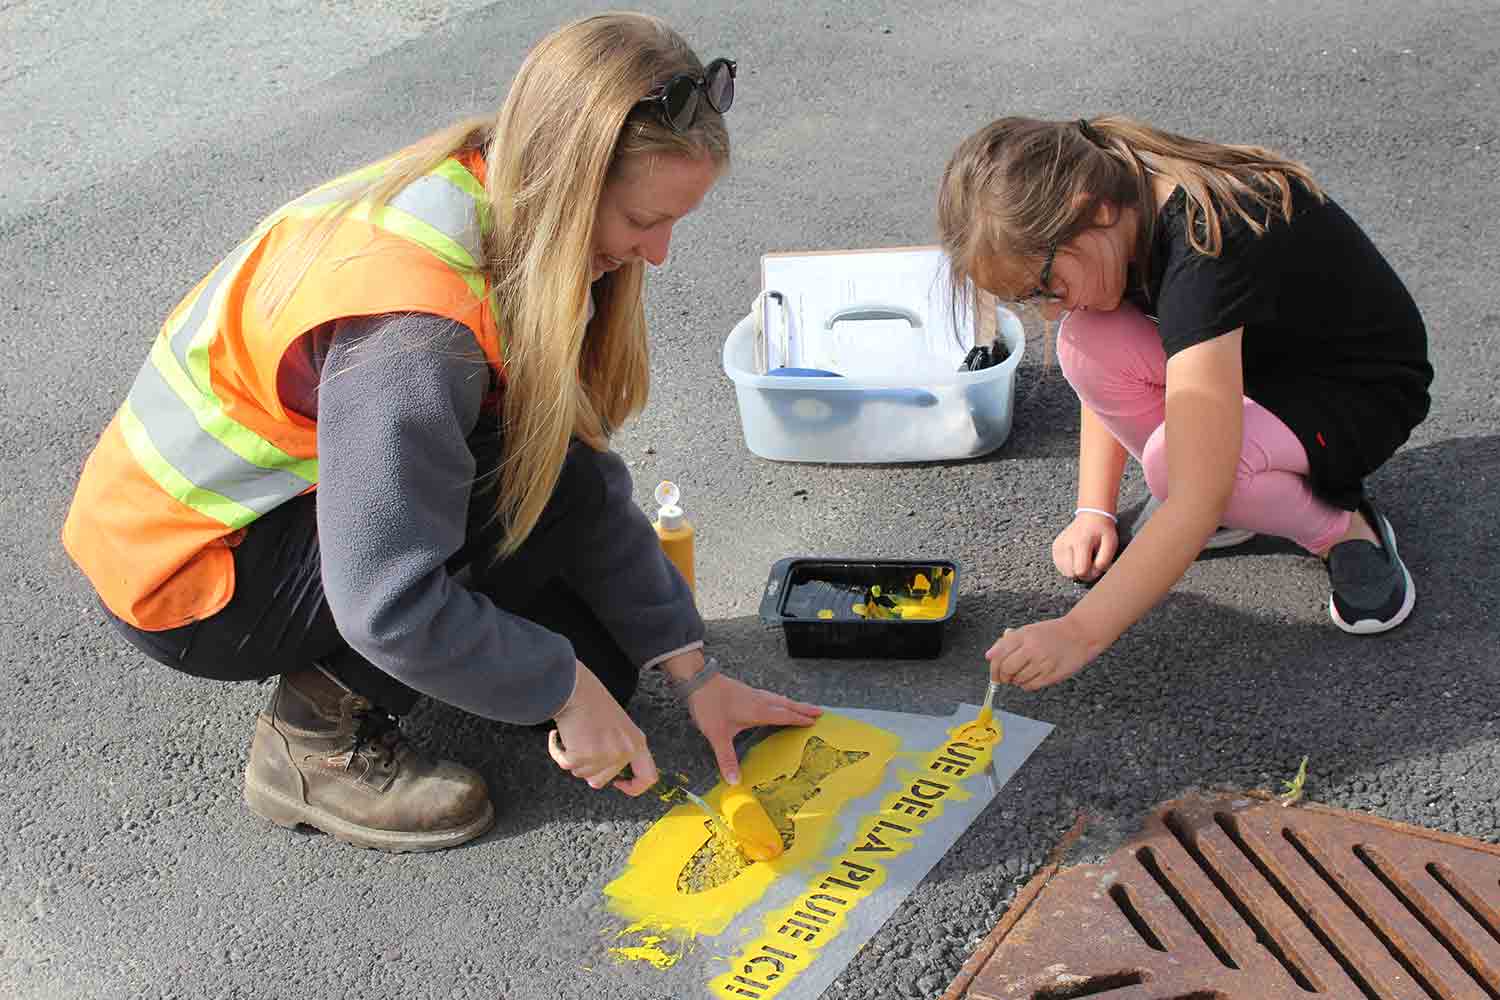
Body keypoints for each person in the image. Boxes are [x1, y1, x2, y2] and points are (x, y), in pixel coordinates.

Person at [61, 12, 820, 853]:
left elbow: (573, 470)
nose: (661, 253)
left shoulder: (498, 190)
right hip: (191, 574)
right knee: (562, 671)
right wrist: (559, 689)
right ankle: (311, 740)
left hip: (273, 509)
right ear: (568, 184)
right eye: (644, 222)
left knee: (608, 661)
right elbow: (385, 601)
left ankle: (504, 664)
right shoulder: (419, 337)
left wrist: (693, 670)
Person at [937, 115, 1432, 691]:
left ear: (1091, 208)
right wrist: (1093, 510)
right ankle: (1240, 490)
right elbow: (1102, 353)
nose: (1047, 310)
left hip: (1356, 393)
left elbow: (1196, 495)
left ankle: (1342, 529)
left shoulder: (1207, 250)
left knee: (1180, 472)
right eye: (1029, 299)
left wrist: (1077, 633)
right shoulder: (1116, 193)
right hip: (1260, 364)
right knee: (1086, 341)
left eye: (1045, 286)